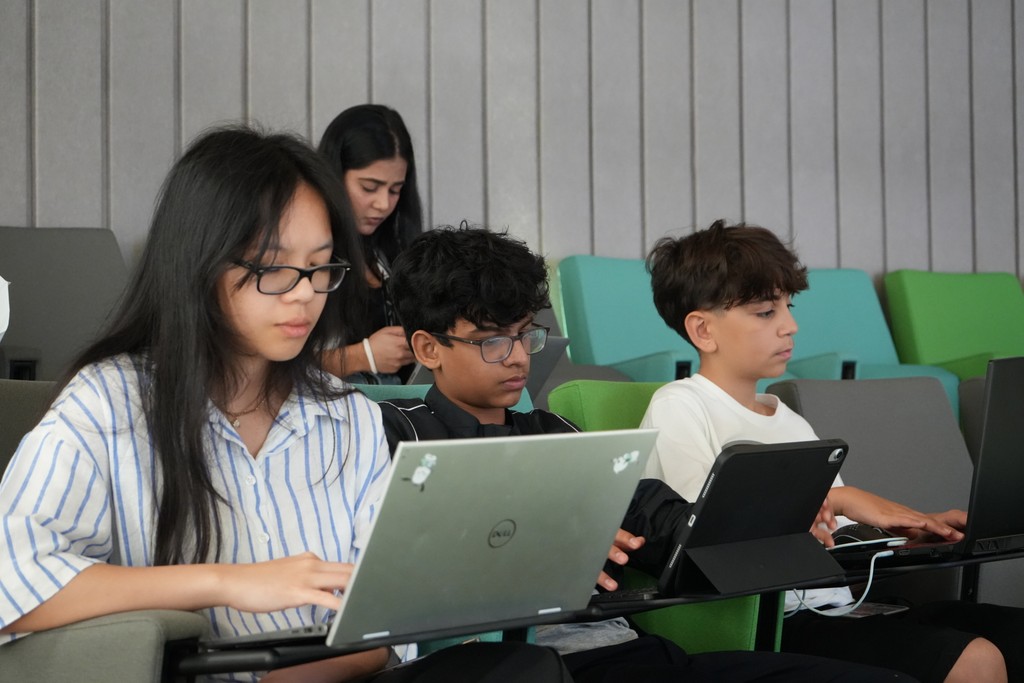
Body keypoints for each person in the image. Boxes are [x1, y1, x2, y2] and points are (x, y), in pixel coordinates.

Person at [0, 127, 573, 683]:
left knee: (528, 667)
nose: (304, 292)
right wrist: (224, 582)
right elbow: (15, 581)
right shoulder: (109, 404)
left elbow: (386, 618)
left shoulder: (345, 416)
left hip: (337, 677)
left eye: (320, 266)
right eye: (273, 267)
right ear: (198, 264)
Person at [378, 224, 916, 683]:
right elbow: (394, 565)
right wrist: (543, 536)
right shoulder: (398, 436)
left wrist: (788, 514)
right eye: (494, 341)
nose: (519, 357)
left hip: (630, 651)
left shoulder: (555, 432)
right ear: (428, 348)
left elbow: (661, 522)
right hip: (503, 665)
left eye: (526, 336)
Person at [640, 219, 1024, 683]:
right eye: (766, 312)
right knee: (975, 659)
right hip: (775, 623)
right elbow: (705, 539)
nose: (790, 325)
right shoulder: (681, 406)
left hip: (845, 609)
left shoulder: (789, 419)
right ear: (703, 330)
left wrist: (907, 539)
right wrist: (840, 498)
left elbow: (833, 540)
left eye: (789, 305)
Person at [317, 104, 420, 384]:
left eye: (395, 190)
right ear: (333, 176)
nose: (383, 204)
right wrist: (362, 356)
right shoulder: (308, 252)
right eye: (369, 187)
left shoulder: (390, 249)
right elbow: (272, 363)